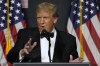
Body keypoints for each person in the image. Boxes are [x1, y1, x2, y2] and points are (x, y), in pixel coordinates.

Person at [7, 2, 83, 63]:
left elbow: (74, 61)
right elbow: (10, 57)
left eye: (45, 18)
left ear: (55, 19)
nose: (41, 22)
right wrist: (22, 52)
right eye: (39, 18)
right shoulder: (25, 34)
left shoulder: (69, 40)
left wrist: (70, 65)